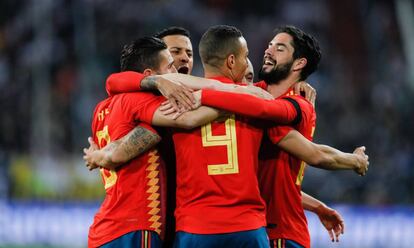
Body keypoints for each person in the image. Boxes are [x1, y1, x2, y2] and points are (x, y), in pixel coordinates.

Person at [182, 25, 369, 248]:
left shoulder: (297, 105)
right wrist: (317, 205)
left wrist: (354, 160)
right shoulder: (254, 93)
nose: (268, 51)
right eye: (269, 45)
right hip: (259, 227)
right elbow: (275, 180)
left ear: (299, 63)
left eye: (279, 48)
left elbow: (315, 154)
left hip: (280, 231)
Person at [87, 36, 226, 248]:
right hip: (135, 226)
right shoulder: (140, 101)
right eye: (170, 65)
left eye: (188, 54)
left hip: (105, 229)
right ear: (149, 76)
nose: (175, 72)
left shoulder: (100, 109)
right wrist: (239, 102)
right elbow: (188, 119)